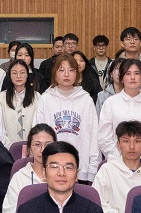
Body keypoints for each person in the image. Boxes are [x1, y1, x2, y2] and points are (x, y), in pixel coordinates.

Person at [33, 52, 101, 181]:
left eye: (71, 70)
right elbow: (38, 134)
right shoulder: (46, 99)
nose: (66, 74)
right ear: (55, 73)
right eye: (61, 70)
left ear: (77, 73)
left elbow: (94, 136)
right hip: (52, 167)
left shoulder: (86, 100)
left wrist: (93, 168)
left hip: (81, 168)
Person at [97, 58, 141, 166]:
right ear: (121, 77)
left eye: (137, 73)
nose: (132, 77)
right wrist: (119, 160)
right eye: (128, 73)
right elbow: (104, 137)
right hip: (116, 164)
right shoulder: (110, 103)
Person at [94, 120, 141, 213]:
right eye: (126, 141)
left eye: (137, 141)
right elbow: (97, 204)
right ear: (118, 144)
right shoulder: (107, 170)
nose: (132, 146)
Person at [2, 123, 56, 213]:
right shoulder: (19, 177)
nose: (42, 150)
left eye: (48, 145)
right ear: (29, 148)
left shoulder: (61, 176)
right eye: (37, 144)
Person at [1, 58, 39, 146]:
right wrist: (8, 146)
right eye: (14, 73)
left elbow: (39, 125)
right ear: (10, 76)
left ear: (27, 75)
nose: (18, 76)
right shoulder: (1, 98)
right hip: (7, 147)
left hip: (32, 146)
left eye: (22, 72)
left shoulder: (37, 97)